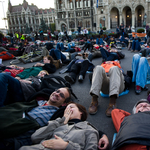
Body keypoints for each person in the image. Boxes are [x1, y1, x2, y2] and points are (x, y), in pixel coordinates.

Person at [0, 87, 71, 150]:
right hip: (9, 117)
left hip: (14, 134)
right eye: (57, 91)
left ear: (64, 104)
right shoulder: (39, 101)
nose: (57, 94)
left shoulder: (55, 114)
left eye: (61, 95)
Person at [20, 102, 109, 150]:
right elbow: (35, 137)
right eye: (66, 109)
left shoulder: (89, 129)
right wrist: (61, 121)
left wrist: (66, 146)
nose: (68, 110)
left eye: (71, 107)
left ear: (81, 112)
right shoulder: (57, 124)